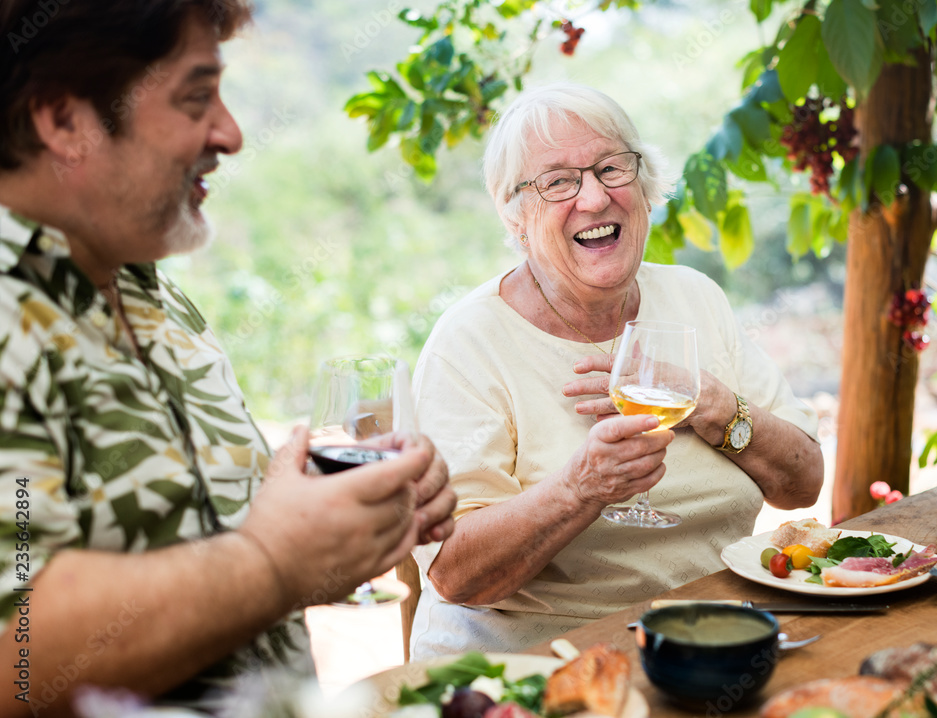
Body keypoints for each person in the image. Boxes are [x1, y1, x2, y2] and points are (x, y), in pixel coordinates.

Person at [0, 1, 456, 715]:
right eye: (194, 97)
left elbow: (201, 551)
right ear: (65, 123)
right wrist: (274, 562)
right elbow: (13, 653)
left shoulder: (151, 294)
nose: (232, 133)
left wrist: (337, 523)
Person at [408, 83, 823, 659]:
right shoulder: (469, 342)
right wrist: (583, 488)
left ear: (645, 185)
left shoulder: (695, 299)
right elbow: (456, 575)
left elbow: (802, 484)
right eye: (557, 181)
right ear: (515, 212)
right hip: (529, 668)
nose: (595, 199)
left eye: (611, 168)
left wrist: (712, 404)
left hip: (705, 642)